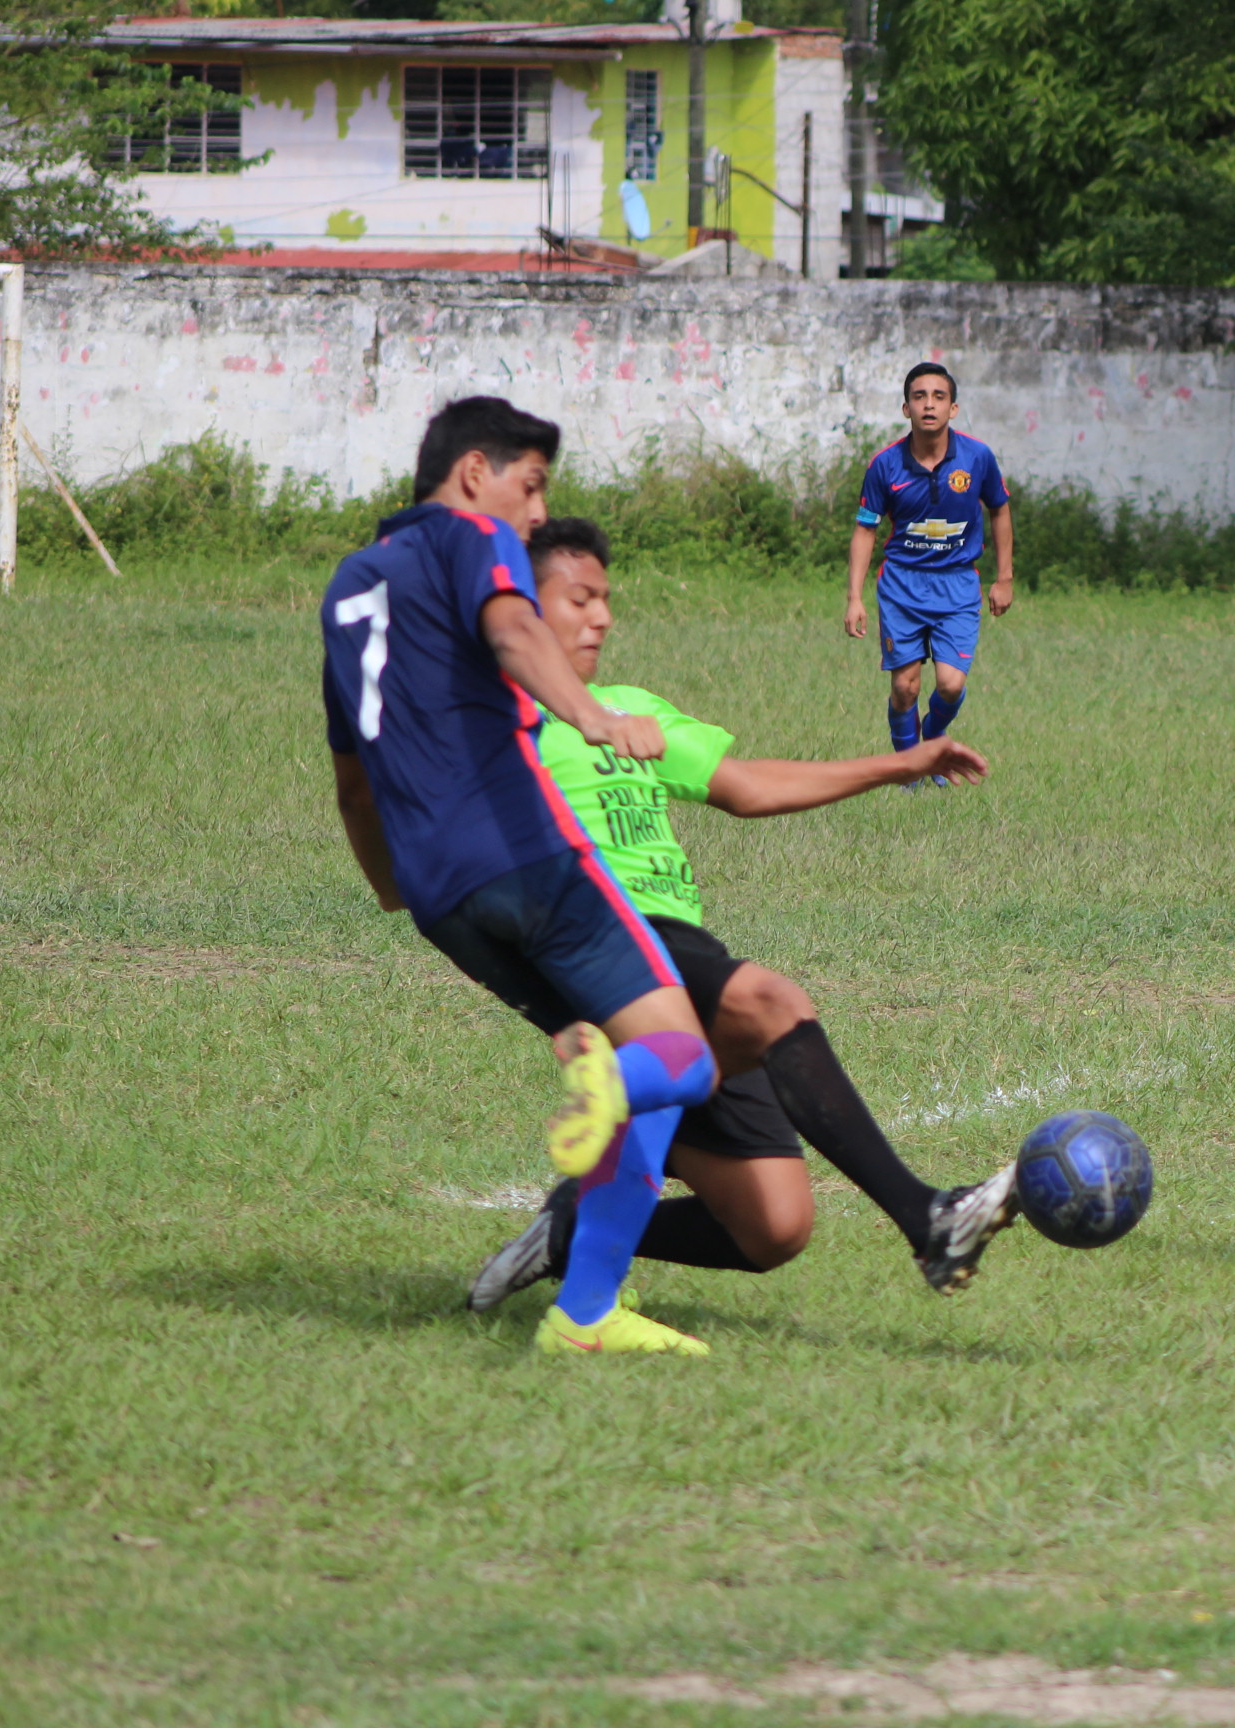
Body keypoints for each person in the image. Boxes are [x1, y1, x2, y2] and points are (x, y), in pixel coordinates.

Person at [463, 517, 1021, 1312]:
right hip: (608, 943)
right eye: (579, 599)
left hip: (683, 946)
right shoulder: (501, 725)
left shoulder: (625, 707)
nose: (603, 617)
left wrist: (904, 762)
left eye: (607, 600)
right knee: (771, 1002)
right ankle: (928, 1216)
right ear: (521, 610)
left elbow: (748, 787)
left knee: (774, 1227)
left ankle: (569, 1232)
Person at [323, 397, 721, 1359]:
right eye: (530, 485)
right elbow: (512, 631)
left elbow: (352, 780)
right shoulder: (473, 536)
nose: (537, 514)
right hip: (526, 853)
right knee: (681, 1060)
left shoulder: (348, 586)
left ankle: (585, 1316)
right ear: (474, 473)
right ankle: (590, 1249)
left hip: (440, 898)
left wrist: (389, 886)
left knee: (638, 1071)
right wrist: (592, 715)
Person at [844, 363, 1014, 782]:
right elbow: (865, 530)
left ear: (953, 408)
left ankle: (934, 741)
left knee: (951, 684)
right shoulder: (885, 465)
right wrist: (854, 598)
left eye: (939, 397)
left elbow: (1000, 509)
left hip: (957, 583)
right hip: (902, 583)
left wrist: (1004, 577)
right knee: (905, 688)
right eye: (920, 397)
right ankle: (908, 773)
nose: (929, 405)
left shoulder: (977, 457)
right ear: (906, 408)